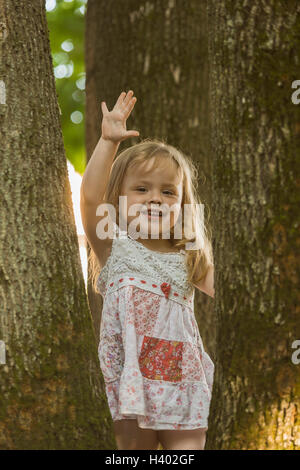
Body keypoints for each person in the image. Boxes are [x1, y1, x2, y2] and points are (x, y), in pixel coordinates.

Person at [80, 90, 215, 450]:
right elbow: (90, 198)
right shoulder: (115, 246)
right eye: (142, 189)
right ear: (119, 200)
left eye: (168, 192)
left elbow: (240, 294)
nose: (155, 198)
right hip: (130, 380)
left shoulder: (191, 257)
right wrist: (108, 142)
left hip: (184, 383)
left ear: (182, 204)